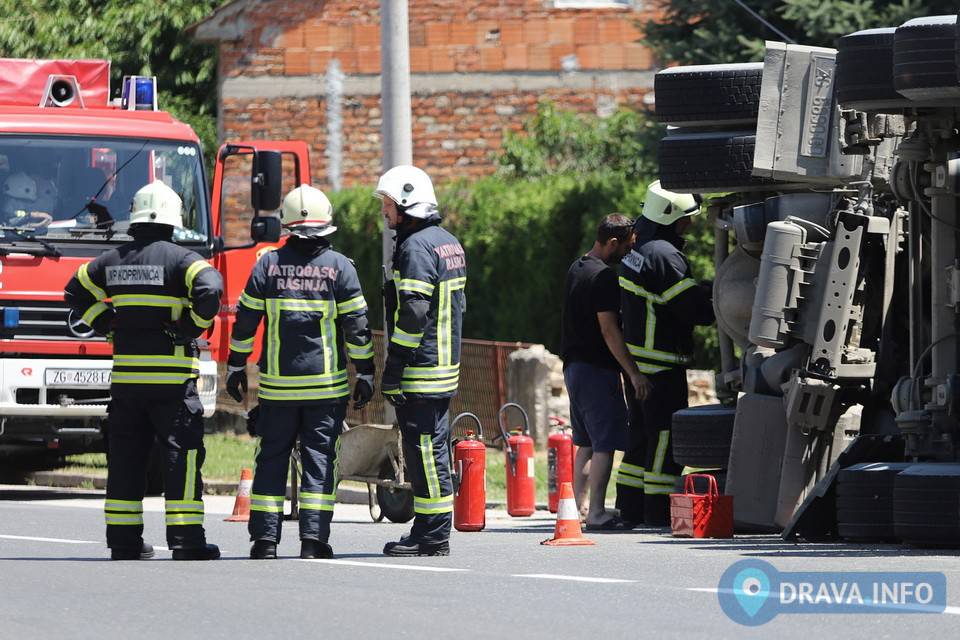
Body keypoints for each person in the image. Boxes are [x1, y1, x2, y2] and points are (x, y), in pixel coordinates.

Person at [64, 180, 224, 560]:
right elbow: (210, 289)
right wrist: (190, 326)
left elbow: (74, 292)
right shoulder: (183, 260)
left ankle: (123, 541)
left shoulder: (111, 261)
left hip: (127, 385)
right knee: (180, 458)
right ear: (173, 220)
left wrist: (106, 322)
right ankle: (186, 542)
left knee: (126, 461)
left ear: (135, 217)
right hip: (171, 384)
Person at [225, 184, 376, 560]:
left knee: (271, 459)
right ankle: (313, 540)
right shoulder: (341, 268)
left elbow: (245, 323)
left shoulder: (267, 265)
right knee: (320, 461)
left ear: (287, 225)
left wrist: (235, 366)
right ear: (326, 225)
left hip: (278, 390)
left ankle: (264, 541)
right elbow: (357, 330)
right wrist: (367, 373)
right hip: (326, 390)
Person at [376, 165, 466, 557]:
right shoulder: (446, 241)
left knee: (425, 452)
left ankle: (432, 534)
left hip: (423, 368)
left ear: (407, 203)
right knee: (434, 450)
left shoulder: (415, 248)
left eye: (388, 203)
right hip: (443, 364)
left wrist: (394, 367)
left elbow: (413, 313)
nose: (384, 211)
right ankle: (430, 528)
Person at [617, 181, 715, 526]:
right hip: (661, 364)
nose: (689, 225)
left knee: (640, 438)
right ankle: (656, 512)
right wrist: (721, 301)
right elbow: (691, 309)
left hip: (638, 363)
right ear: (670, 216)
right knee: (663, 440)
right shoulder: (665, 255)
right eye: (686, 219)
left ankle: (629, 508)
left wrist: (703, 288)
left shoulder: (639, 247)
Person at [561, 213, 650, 531]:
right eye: (626, 246)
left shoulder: (578, 266)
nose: (628, 252)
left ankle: (575, 509)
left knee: (585, 441)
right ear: (612, 242)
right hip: (596, 370)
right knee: (604, 444)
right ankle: (597, 513)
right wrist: (634, 373)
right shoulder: (603, 278)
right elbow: (610, 331)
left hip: (574, 368)